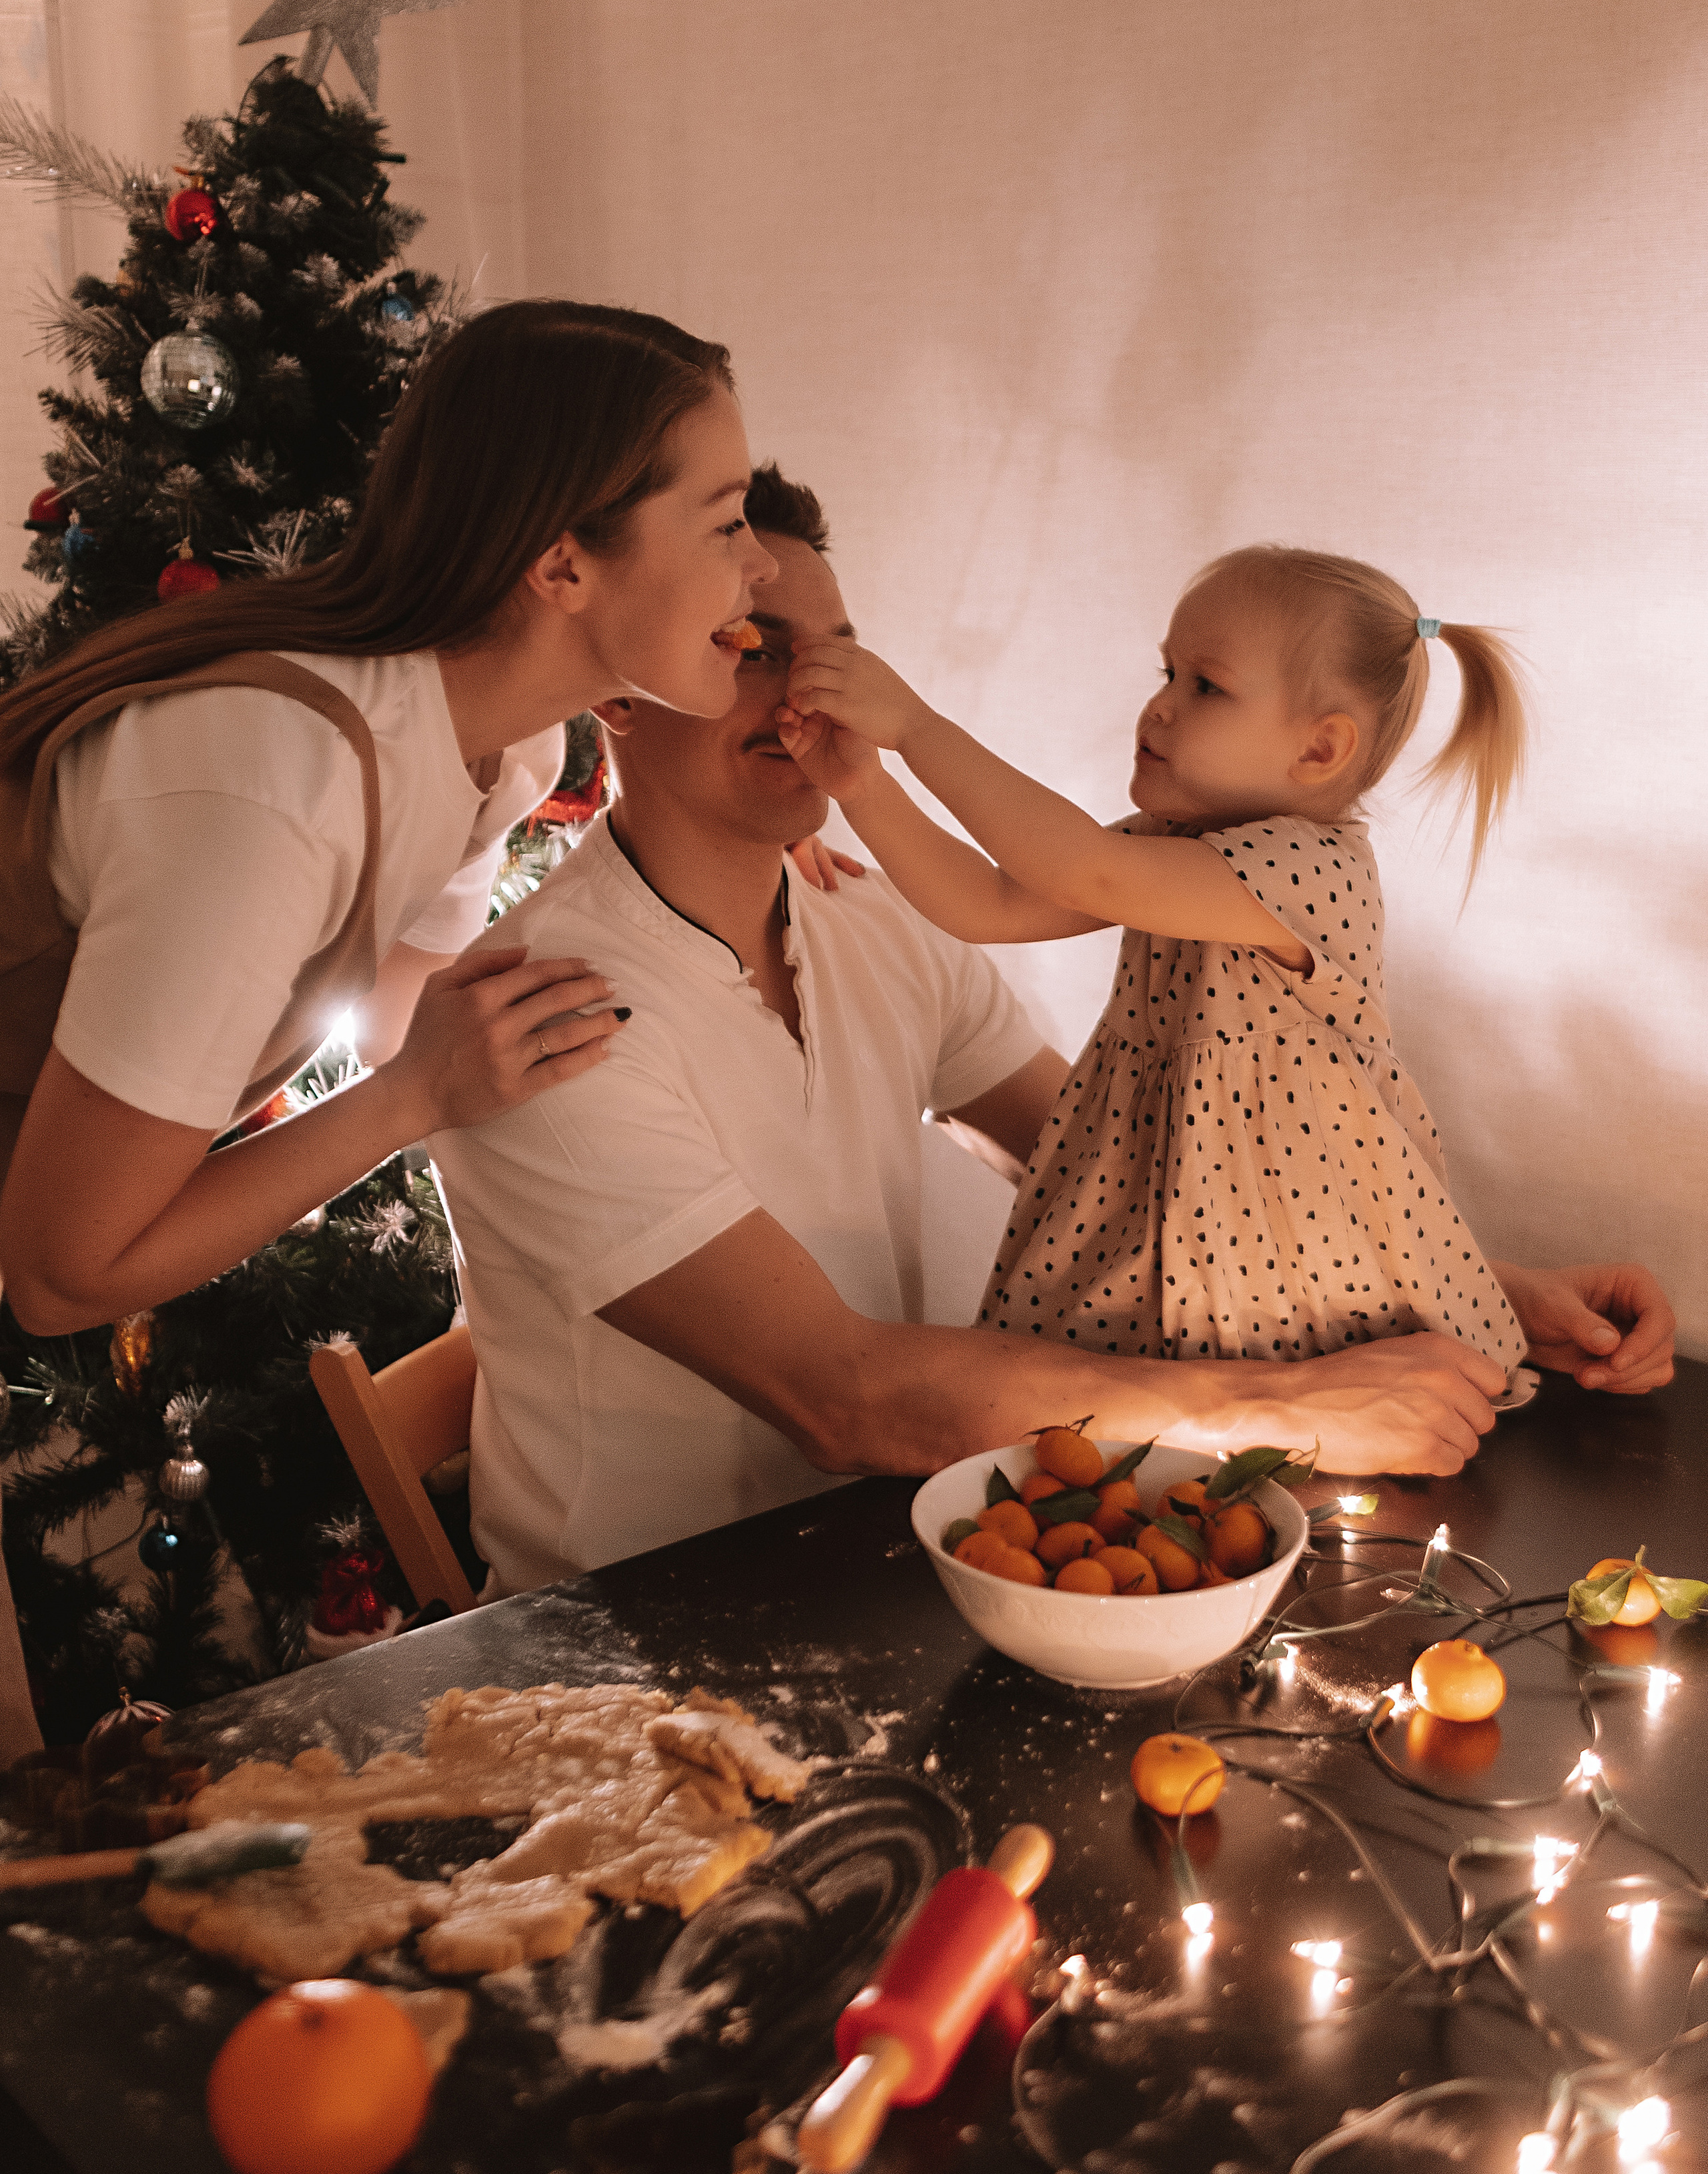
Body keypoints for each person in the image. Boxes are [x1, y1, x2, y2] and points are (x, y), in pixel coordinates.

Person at [432, 498, 1672, 1596]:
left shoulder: (865, 918)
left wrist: (1464, 1289)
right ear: (617, 686)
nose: (812, 690)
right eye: (751, 647)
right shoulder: (537, 1017)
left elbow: (1138, 1160)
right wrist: (1290, 1410)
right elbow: (844, 1398)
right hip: (641, 1629)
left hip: (898, 1554)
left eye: (837, 652)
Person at [0, 298, 777, 1759]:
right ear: (562, 562)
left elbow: (419, 1004)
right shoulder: (270, 784)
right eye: (727, 519)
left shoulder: (507, 744)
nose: (761, 569)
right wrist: (411, 1102)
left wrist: (758, 852)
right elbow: (59, 1272)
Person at [776, 544, 1665, 1377]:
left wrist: (916, 727)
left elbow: (1080, 866)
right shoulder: (1175, 844)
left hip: (1288, 1253)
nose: (1160, 706)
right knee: (1122, 1445)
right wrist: (863, 784)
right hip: (1161, 1221)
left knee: (1290, 1445)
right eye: (1167, 673)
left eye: (1207, 686)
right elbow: (995, 903)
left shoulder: (1306, 870)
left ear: (1320, 749)